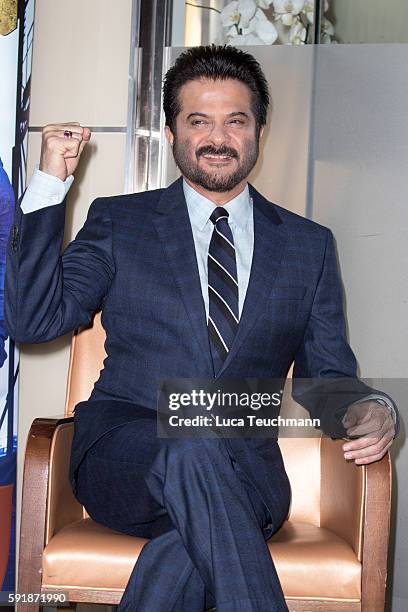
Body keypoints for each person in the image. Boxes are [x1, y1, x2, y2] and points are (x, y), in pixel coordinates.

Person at [5, 45, 399, 612]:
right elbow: (34, 320)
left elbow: (324, 379)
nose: (218, 137)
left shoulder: (308, 246)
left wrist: (371, 407)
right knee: (190, 441)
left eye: (236, 120)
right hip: (126, 457)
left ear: (259, 130)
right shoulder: (120, 222)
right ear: (170, 134)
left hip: (246, 472)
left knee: (188, 549)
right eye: (198, 121)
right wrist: (48, 186)